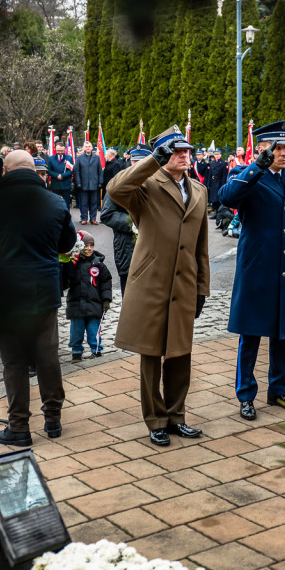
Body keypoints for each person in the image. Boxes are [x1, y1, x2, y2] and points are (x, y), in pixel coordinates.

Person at [0, 150, 77, 446]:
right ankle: (53, 420)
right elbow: (67, 243)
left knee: (14, 361)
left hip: (6, 293)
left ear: (5, 171)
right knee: (48, 356)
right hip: (44, 291)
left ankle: (19, 427)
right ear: (34, 171)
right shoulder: (55, 201)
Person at [107, 126, 210, 447]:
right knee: (151, 355)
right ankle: (155, 420)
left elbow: (202, 245)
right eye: (176, 151)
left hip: (184, 283)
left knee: (181, 354)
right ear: (164, 154)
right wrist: (152, 161)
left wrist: (202, 288)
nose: (184, 155)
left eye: (187, 151)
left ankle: (177, 416)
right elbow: (115, 189)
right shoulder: (146, 185)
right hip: (151, 283)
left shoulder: (199, 190)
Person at [218, 121, 285, 422]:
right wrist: (256, 167)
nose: (284, 153)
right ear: (262, 148)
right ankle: (246, 394)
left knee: (282, 334)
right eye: (277, 148)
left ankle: (278, 389)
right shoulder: (246, 176)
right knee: (252, 333)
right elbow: (227, 197)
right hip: (257, 267)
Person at [100, 144, 147, 294]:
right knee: (130, 299)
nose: (137, 165)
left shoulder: (161, 183)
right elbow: (107, 214)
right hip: (127, 247)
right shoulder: (119, 182)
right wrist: (133, 223)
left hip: (155, 250)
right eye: (134, 161)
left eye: (142, 161)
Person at [62, 230, 112, 360]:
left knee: (93, 330)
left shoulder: (99, 264)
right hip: (76, 304)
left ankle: (96, 350)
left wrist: (106, 299)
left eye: (91, 245)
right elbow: (66, 280)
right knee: (76, 331)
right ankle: (76, 352)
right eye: (85, 245)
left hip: (94, 304)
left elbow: (106, 282)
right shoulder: (72, 263)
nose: (89, 248)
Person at [71, 141, 102, 224]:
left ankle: (93, 219)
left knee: (94, 202)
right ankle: (84, 218)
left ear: (92, 148)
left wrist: (100, 182)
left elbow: (100, 171)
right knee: (84, 202)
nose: (88, 148)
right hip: (83, 184)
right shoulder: (79, 158)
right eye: (86, 147)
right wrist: (78, 182)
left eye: (89, 146)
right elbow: (77, 172)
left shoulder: (97, 157)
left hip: (94, 183)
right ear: (84, 148)